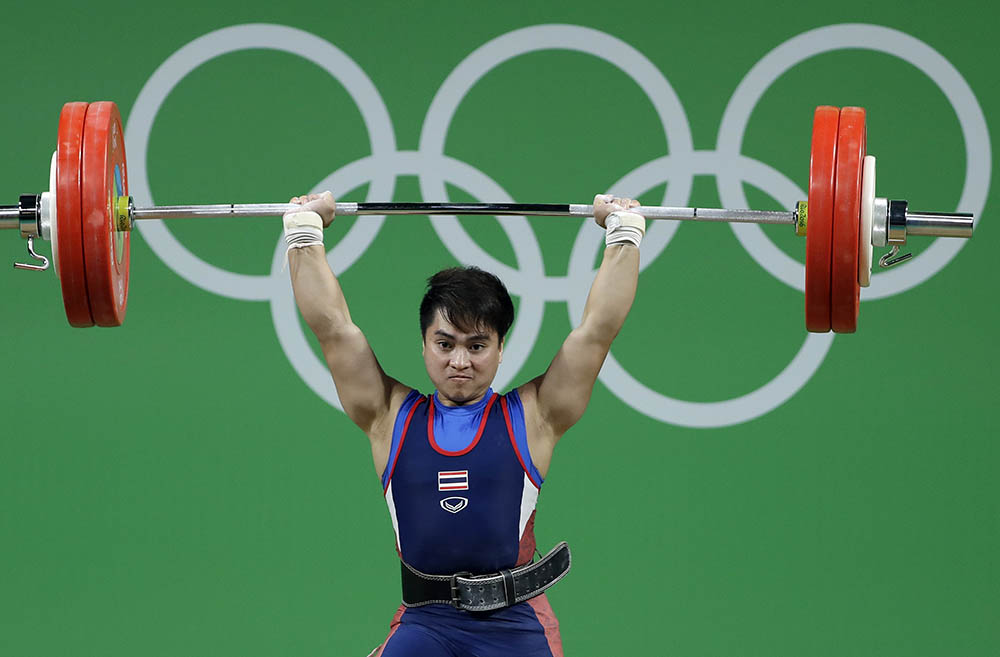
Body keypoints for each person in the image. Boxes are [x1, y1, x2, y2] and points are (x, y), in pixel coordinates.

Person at [284, 191, 645, 657]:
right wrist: (304, 232)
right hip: (425, 623)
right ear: (423, 344)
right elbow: (333, 327)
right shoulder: (387, 414)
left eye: (476, 346)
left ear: (499, 350)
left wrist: (623, 233)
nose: (460, 361)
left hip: (516, 627)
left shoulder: (535, 414)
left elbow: (597, 330)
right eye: (445, 343)